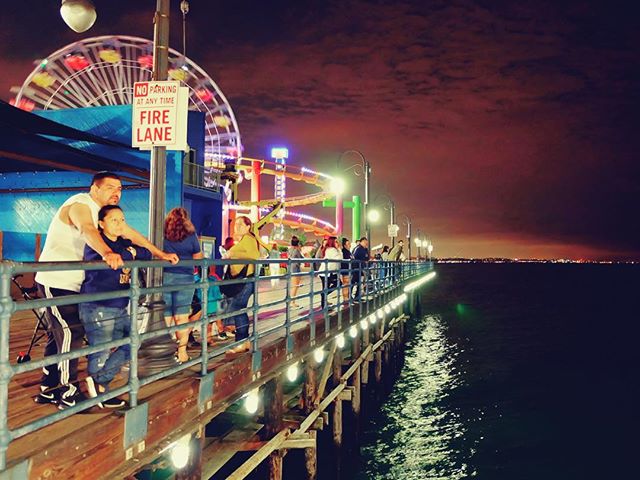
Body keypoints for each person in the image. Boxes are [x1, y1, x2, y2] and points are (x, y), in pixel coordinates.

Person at [34, 171, 178, 409]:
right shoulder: (80, 204)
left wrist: (159, 253)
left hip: (75, 283)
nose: (116, 192)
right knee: (71, 333)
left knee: (59, 335)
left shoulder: (106, 215)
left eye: (120, 188)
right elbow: (87, 229)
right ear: (95, 188)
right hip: (56, 279)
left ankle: (48, 388)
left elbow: (131, 234)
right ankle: (67, 392)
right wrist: (107, 253)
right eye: (111, 187)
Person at [80, 205, 152, 409]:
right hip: (98, 304)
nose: (120, 224)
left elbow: (145, 254)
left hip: (119, 304)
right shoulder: (96, 244)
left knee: (133, 341)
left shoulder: (122, 243)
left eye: (122, 220)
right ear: (101, 224)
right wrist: (128, 253)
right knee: (100, 349)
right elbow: (116, 259)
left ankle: (99, 382)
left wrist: (128, 252)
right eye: (114, 220)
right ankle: (100, 393)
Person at [163, 207, 204, 364]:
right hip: (185, 278)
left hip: (165, 277)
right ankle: (181, 353)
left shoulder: (162, 233)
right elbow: (198, 257)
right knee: (182, 318)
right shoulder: (190, 235)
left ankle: (165, 353)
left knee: (166, 316)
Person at [225, 216, 261, 354]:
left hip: (246, 279)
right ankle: (244, 341)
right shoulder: (246, 239)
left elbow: (254, 255)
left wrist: (233, 253)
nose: (237, 226)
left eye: (241, 224)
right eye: (236, 224)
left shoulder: (248, 239)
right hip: (245, 279)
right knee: (240, 308)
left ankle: (241, 342)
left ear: (248, 227)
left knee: (237, 307)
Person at [317, 237, 341, 309]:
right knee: (335, 284)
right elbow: (339, 258)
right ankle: (324, 303)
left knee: (335, 284)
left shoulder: (331, 249)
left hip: (329, 272)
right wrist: (339, 249)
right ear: (332, 242)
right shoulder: (332, 250)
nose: (338, 243)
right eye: (336, 241)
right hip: (326, 272)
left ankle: (324, 298)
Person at [288, 236, 304, 309]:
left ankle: (292, 301)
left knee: (294, 286)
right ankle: (292, 302)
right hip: (296, 269)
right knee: (295, 286)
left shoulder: (290, 250)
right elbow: (301, 259)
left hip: (291, 268)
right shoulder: (296, 250)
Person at [340, 238, 352, 304]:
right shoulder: (344, 252)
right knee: (345, 285)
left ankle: (347, 297)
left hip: (348, 270)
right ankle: (345, 298)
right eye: (348, 244)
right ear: (344, 245)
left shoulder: (348, 252)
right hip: (345, 271)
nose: (350, 245)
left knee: (347, 284)